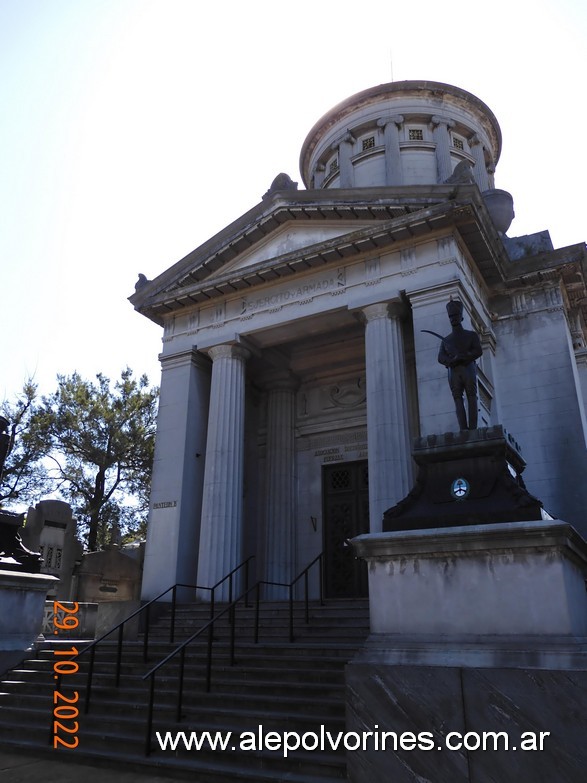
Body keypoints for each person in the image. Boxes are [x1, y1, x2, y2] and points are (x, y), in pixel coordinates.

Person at [438, 299, 482, 430]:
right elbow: (440, 357)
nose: (453, 319)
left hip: (468, 368)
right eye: (451, 316)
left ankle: (473, 428)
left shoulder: (471, 335)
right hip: (453, 371)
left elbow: (478, 351)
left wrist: (465, 356)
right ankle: (463, 428)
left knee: (471, 396)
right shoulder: (446, 340)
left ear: (461, 317)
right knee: (457, 398)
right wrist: (451, 361)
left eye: (455, 316)